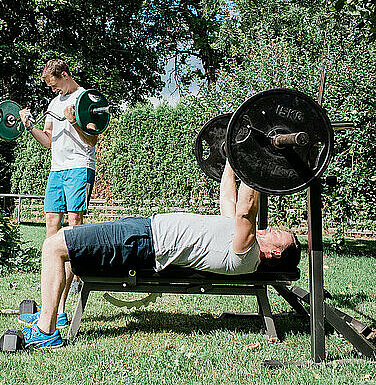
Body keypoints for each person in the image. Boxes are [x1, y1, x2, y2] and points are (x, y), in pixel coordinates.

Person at [18, 161, 302, 349]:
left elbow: (245, 209)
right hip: (143, 230)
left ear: (275, 254)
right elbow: (229, 198)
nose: (273, 229)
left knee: (54, 246)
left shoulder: (247, 253)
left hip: (142, 243)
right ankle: (54, 315)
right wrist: (232, 158)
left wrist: (256, 161)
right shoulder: (237, 236)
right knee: (62, 245)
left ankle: (47, 332)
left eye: (279, 235)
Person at [18, 59, 98, 329]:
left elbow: (92, 140)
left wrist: (75, 122)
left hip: (79, 169)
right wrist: (30, 127)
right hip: (57, 171)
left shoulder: (86, 99)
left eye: (54, 84)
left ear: (64, 75)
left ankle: (60, 309)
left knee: (74, 230)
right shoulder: (53, 104)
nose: (53, 91)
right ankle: (47, 306)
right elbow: (48, 141)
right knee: (51, 228)